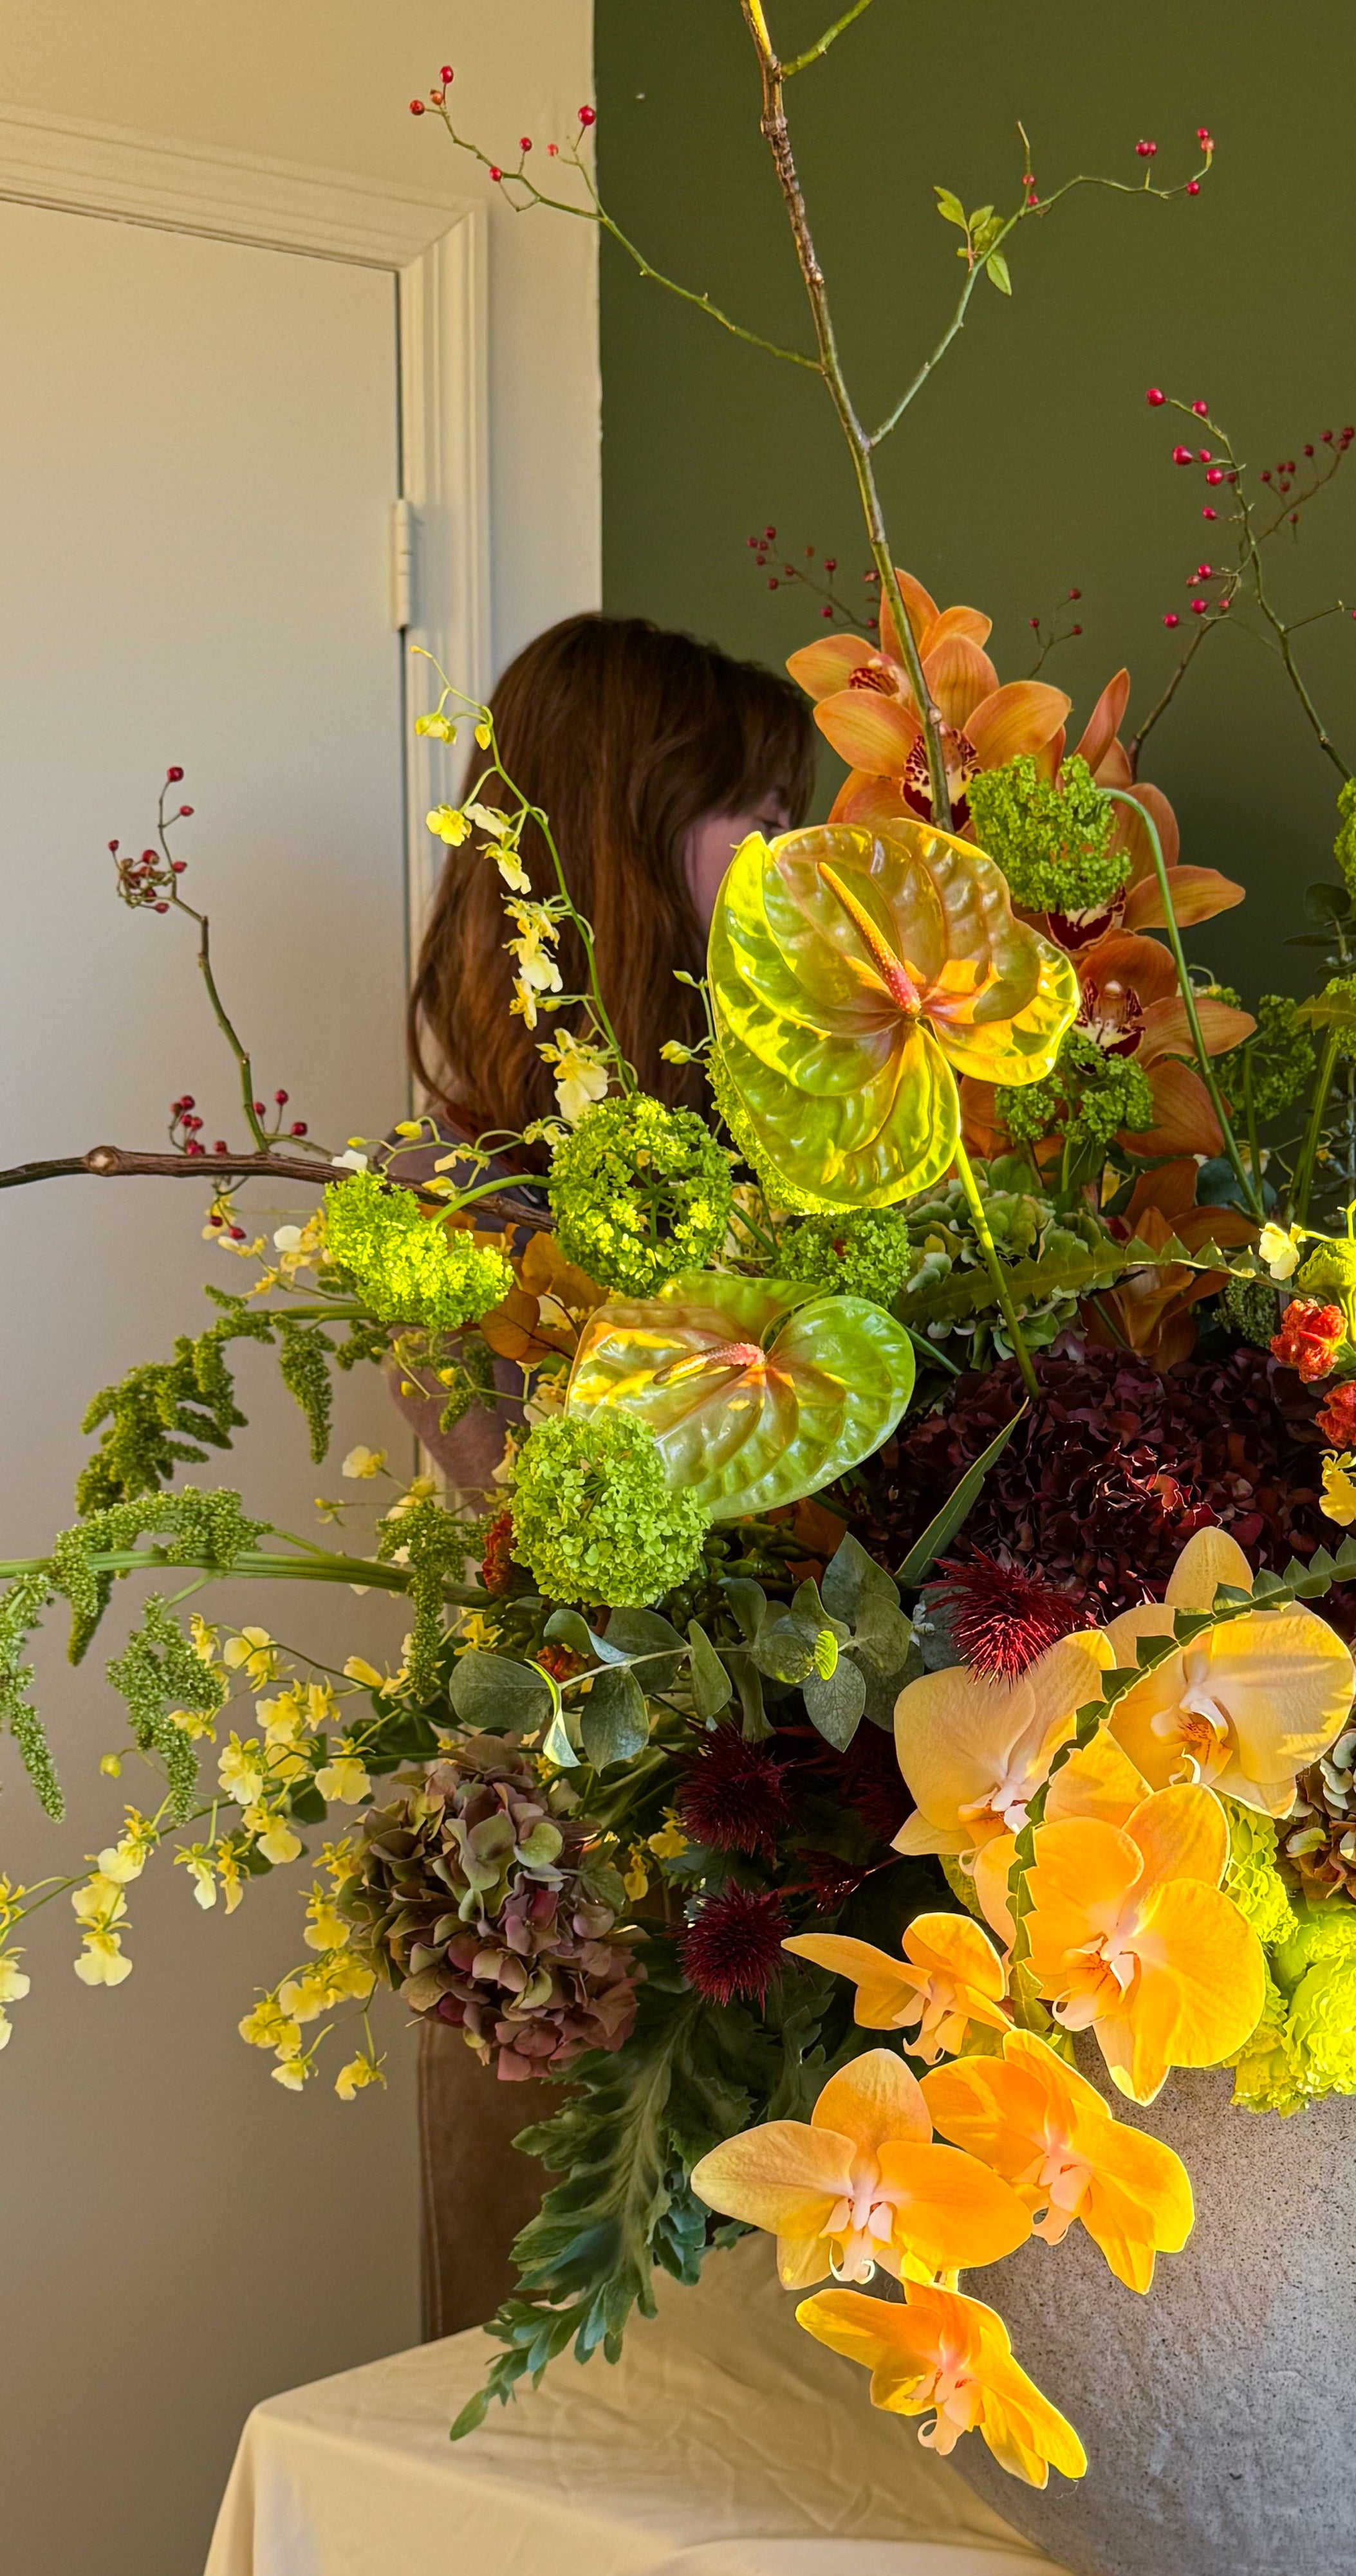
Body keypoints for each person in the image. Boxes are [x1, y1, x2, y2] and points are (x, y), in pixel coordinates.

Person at [402, 613, 817, 2339]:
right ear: (626, 846)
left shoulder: (800, 1134)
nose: (796, 861)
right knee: (564, 2392)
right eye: (755, 816)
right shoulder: (471, 1217)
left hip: (784, 1858)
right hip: (583, 1884)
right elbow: (579, 1531)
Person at [411, 609, 817, 1141]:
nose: (789, 869)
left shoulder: (772, 1140)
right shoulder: (446, 1202)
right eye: (767, 823)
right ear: (625, 841)